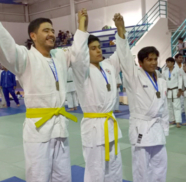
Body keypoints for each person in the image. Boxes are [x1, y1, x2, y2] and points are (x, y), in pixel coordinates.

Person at [0, 0, 88, 181]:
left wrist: (82, 26)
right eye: (46, 30)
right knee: (39, 175)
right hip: (38, 130)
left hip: (60, 128)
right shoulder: (25, 57)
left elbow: (78, 53)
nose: (52, 34)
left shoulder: (60, 55)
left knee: (63, 175)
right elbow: (4, 44)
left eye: (53, 30)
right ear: (33, 36)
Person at [71, 13, 128, 182]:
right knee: (95, 170)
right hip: (94, 127)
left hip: (110, 124)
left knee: (115, 168)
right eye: (93, 48)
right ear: (85, 51)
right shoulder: (82, 70)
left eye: (99, 47)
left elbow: (123, 54)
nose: (98, 50)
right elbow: (78, 55)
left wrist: (120, 31)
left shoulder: (108, 65)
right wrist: (82, 24)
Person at [119, 44, 169, 181]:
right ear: (140, 62)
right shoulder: (134, 78)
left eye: (155, 59)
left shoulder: (162, 81)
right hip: (141, 128)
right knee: (141, 168)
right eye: (149, 59)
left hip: (157, 128)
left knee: (160, 165)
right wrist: (122, 36)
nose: (153, 63)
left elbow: (164, 107)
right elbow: (125, 60)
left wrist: (165, 128)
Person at [162, 57, 183, 128]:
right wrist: (163, 91)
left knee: (177, 107)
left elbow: (180, 80)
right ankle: (172, 120)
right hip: (168, 91)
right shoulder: (165, 71)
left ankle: (178, 122)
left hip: (175, 90)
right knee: (169, 107)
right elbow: (163, 82)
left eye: (168, 62)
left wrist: (180, 90)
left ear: (173, 63)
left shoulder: (178, 70)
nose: (167, 64)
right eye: (166, 62)